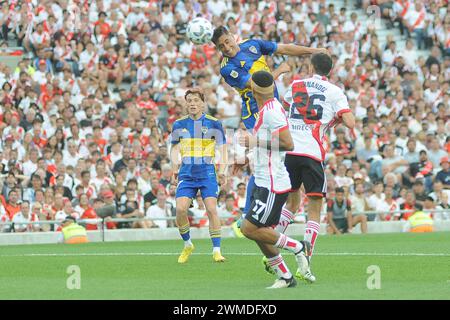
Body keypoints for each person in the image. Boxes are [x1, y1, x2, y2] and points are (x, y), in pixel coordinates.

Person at [212, 25, 327, 239]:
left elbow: (285, 48)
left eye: (228, 41)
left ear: (232, 37)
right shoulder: (227, 68)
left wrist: (313, 51)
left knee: (272, 157)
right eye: (222, 47)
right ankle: (248, 214)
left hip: (272, 108)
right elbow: (257, 87)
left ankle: (262, 208)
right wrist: (279, 71)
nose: (227, 48)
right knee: (266, 159)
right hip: (255, 113)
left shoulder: (253, 45)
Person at [278, 53, 356, 283]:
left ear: (311, 67)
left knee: (291, 203)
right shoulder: (334, 91)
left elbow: (286, 107)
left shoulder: (295, 84)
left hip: (290, 151)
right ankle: (306, 262)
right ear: (329, 71)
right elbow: (350, 122)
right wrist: (334, 119)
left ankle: (273, 248)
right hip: (311, 153)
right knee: (314, 210)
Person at [238, 70, 310, 289]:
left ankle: (297, 246)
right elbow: (270, 145)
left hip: (271, 183)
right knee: (261, 233)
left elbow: (288, 144)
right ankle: (285, 276)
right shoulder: (267, 109)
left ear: (254, 89)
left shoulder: (271, 112)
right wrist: (248, 156)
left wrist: (254, 142)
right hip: (264, 179)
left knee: (248, 229)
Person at [170, 87, 228, 263]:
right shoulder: (179, 124)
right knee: (180, 209)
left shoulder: (213, 123)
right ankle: (188, 244)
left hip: (207, 173)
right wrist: (174, 167)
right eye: (189, 101)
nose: (193, 104)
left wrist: (223, 170)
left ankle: (216, 251)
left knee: (211, 209)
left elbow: (223, 148)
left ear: (203, 103)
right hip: (186, 173)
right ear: (186, 104)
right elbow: (174, 147)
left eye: (196, 100)